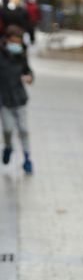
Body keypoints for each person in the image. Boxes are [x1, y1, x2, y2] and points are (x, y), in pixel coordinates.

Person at [0, 25, 35, 174]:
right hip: (5, 100)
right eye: (13, 41)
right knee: (8, 129)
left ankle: (27, 159)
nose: (16, 45)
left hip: (20, 99)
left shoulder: (22, 56)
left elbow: (29, 72)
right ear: (7, 40)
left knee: (24, 130)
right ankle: (8, 147)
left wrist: (30, 78)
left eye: (18, 42)